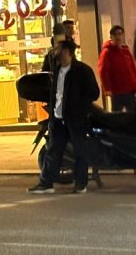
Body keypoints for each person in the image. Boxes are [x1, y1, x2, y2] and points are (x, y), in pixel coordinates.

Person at [29, 39, 100, 194]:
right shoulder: (57, 69)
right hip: (58, 118)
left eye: (58, 49)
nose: (54, 51)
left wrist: (79, 107)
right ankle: (46, 183)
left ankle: (80, 184)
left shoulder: (82, 70)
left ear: (67, 51)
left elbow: (94, 93)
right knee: (53, 150)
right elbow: (55, 94)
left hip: (75, 119)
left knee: (80, 151)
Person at [97, 25, 136, 113]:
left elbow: (132, 69)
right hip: (116, 91)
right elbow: (103, 71)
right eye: (115, 34)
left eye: (120, 34)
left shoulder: (125, 50)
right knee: (117, 116)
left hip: (129, 90)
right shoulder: (107, 52)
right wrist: (107, 88)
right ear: (111, 37)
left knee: (133, 115)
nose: (118, 37)